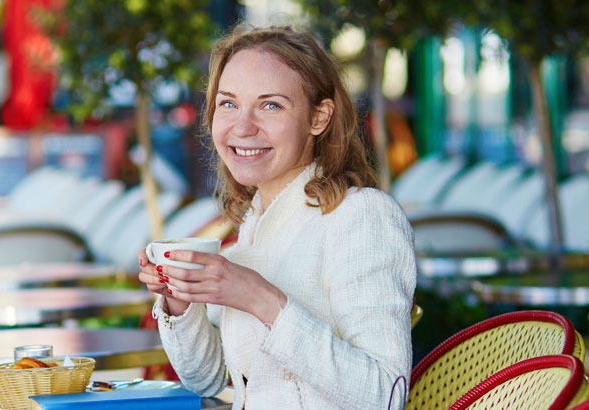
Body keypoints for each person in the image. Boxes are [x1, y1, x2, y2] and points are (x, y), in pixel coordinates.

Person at [137, 26, 416, 409]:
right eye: (228, 103)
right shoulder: (254, 225)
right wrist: (180, 301)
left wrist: (261, 298)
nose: (242, 127)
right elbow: (208, 378)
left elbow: (385, 396)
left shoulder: (363, 216)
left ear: (319, 118)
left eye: (271, 105)